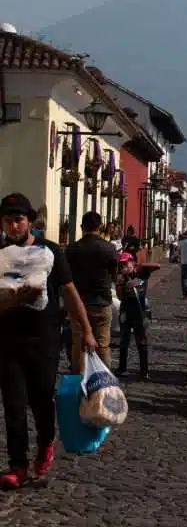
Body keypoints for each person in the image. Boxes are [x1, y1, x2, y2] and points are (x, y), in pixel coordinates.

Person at [0, 192, 97, 490]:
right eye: (6, 220)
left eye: (18, 219)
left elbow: (69, 292)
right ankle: (18, 466)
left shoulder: (50, 251)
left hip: (43, 340)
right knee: (13, 405)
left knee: (41, 400)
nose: (12, 226)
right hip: (7, 341)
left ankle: (45, 445)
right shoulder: (0, 254)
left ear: (29, 220)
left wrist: (87, 330)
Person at [66, 211, 118, 370]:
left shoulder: (72, 249)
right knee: (102, 345)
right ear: (100, 227)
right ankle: (103, 381)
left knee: (78, 346)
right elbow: (114, 275)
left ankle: (78, 381)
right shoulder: (109, 248)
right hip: (102, 302)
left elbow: (66, 277)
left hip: (79, 303)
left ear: (82, 227)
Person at [115, 251, 159, 381]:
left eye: (126, 263)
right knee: (124, 340)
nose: (124, 267)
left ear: (132, 262)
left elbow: (157, 266)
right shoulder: (121, 278)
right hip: (126, 310)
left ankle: (144, 370)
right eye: (121, 265)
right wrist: (120, 284)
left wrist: (139, 266)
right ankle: (122, 368)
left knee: (142, 341)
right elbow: (120, 297)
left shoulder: (142, 273)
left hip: (140, 310)